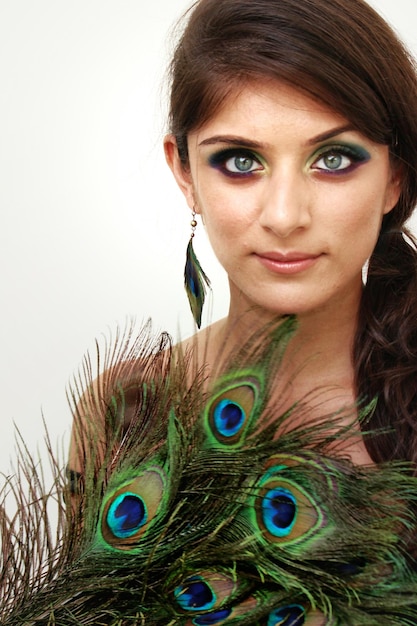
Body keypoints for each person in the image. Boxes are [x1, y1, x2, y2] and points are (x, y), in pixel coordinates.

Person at [66, 0, 417, 622]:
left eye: (333, 159)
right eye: (240, 161)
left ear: (394, 177)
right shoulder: (125, 409)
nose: (285, 215)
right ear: (185, 173)